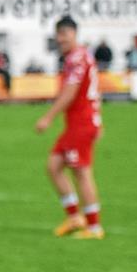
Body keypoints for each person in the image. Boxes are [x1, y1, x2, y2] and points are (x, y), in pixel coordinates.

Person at [35, 16, 104, 239]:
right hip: (80, 123)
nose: (60, 38)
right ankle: (75, 217)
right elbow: (93, 90)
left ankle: (94, 227)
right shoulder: (80, 57)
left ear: (74, 33)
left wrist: (48, 117)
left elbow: (71, 92)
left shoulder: (77, 58)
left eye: (65, 33)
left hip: (81, 124)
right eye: (58, 34)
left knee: (81, 173)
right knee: (54, 166)